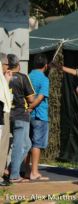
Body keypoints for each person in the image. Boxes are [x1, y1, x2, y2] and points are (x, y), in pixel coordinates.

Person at [7, 54, 35, 183]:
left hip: (7, 114)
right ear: (18, 64)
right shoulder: (23, 77)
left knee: (27, 144)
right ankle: (14, 174)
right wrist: (31, 106)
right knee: (19, 145)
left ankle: (11, 168)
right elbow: (30, 99)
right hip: (20, 115)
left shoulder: (4, 77)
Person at [27, 54, 50, 180]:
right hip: (40, 115)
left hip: (28, 116)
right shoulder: (44, 79)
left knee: (27, 143)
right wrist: (31, 107)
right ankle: (34, 172)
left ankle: (26, 170)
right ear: (45, 66)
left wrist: (28, 109)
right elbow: (40, 97)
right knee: (36, 144)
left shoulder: (28, 76)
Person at [0, 53, 12, 186]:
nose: (8, 67)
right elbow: (4, 100)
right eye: (6, 64)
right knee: (2, 145)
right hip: (2, 116)